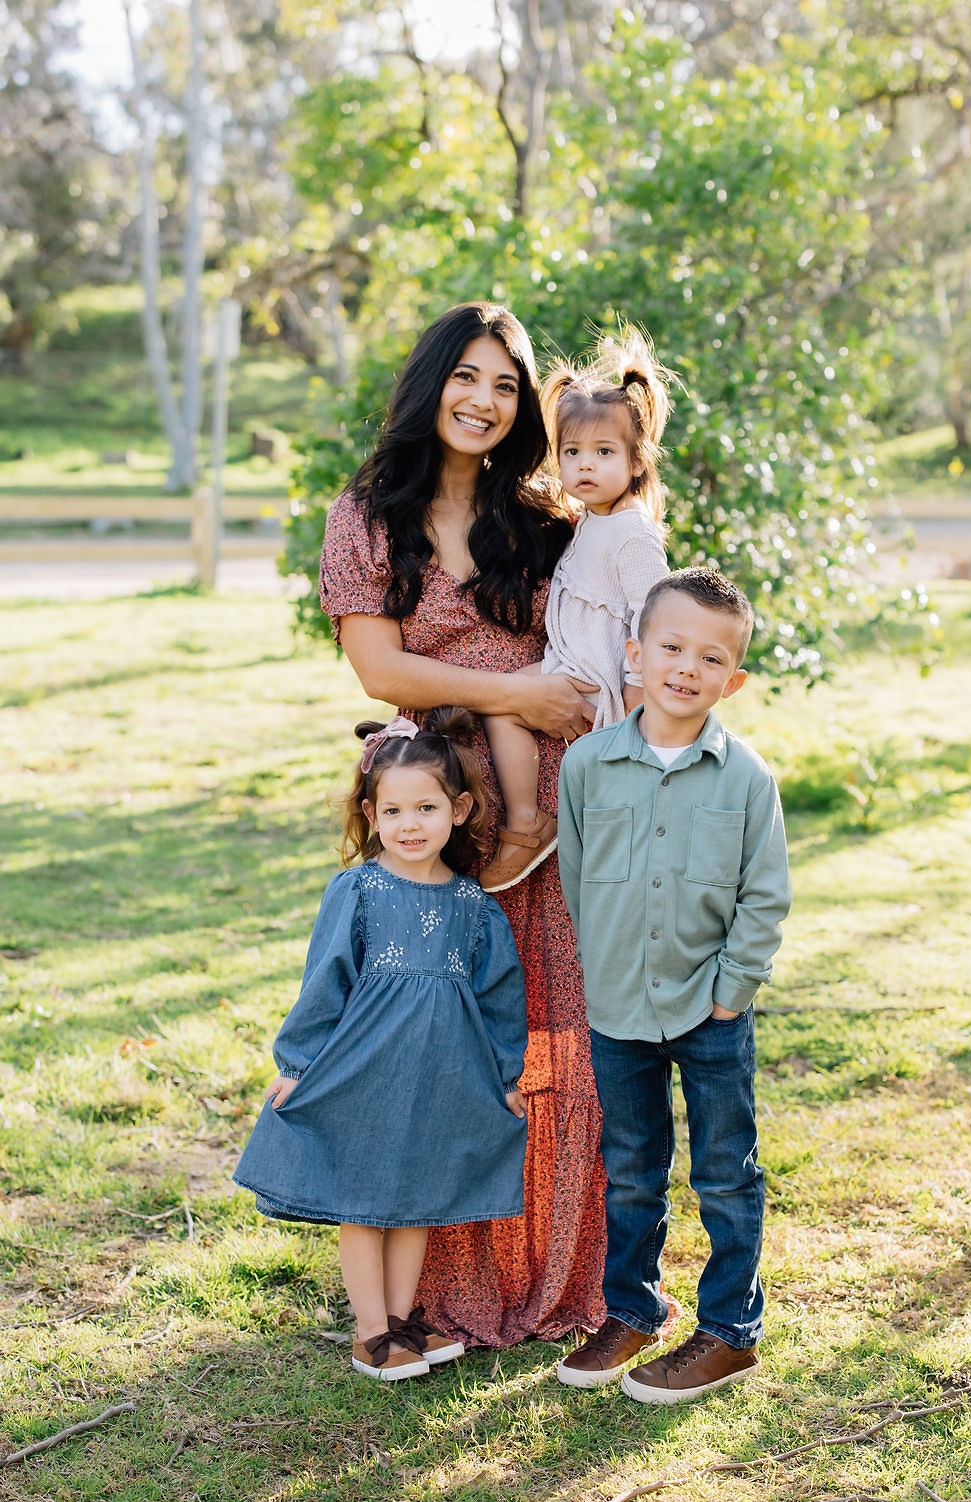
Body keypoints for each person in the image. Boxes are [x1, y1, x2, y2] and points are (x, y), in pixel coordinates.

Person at [318, 301, 607, 1348]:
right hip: (438, 814)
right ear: (431, 379)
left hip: (554, 817)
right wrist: (510, 696)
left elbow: (611, 617)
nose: (483, 401)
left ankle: (555, 1267)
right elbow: (378, 667)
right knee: (442, 1042)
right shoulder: (368, 513)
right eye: (467, 377)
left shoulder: (542, 519)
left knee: (552, 1029)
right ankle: (435, 1285)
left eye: (504, 385)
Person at [233, 707, 529, 1382]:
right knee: (363, 1198)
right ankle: (371, 1332)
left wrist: (504, 1075)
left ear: (457, 810)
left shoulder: (473, 905)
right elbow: (325, 979)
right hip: (365, 1069)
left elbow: (499, 997)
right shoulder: (360, 891)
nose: (410, 825)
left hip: (441, 1073)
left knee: (419, 1195)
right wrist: (298, 1064)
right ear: (370, 814)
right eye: (392, 812)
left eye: (425, 808)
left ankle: (402, 1324)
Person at [556, 567, 792, 1404]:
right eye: (671, 647)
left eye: (711, 656)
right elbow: (579, 878)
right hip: (619, 1006)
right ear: (636, 652)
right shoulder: (587, 765)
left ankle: (729, 1332)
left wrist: (732, 990)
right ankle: (631, 1310)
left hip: (710, 1008)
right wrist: (601, 970)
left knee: (726, 1171)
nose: (687, 667)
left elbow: (764, 894)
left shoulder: (745, 778)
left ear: (734, 679)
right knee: (632, 1168)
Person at [478, 333, 673, 893]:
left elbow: (653, 618)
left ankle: (524, 826)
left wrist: (638, 698)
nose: (585, 466)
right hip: (578, 664)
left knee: (503, 707)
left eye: (604, 453)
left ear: (637, 460)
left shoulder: (633, 532)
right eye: (572, 453)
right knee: (501, 702)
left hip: (598, 677)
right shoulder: (592, 518)